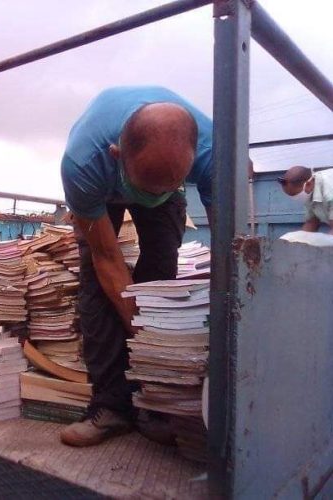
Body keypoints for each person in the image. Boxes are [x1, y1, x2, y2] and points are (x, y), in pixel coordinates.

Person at [59, 86, 213, 447]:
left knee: (161, 279)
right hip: (104, 185)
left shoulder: (213, 153)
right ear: (117, 153)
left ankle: (157, 402)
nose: (150, 200)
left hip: (157, 173)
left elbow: (230, 249)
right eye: (144, 190)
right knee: (97, 287)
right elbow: (107, 258)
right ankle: (111, 405)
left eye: (165, 188)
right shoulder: (83, 163)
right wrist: (144, 332)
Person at [278, 166, 333, 234]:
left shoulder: (329, 191)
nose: (295, 198)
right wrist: (300, 239)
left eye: (295, 195)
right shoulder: (310, 191)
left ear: (309, 184)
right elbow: (311, 223)